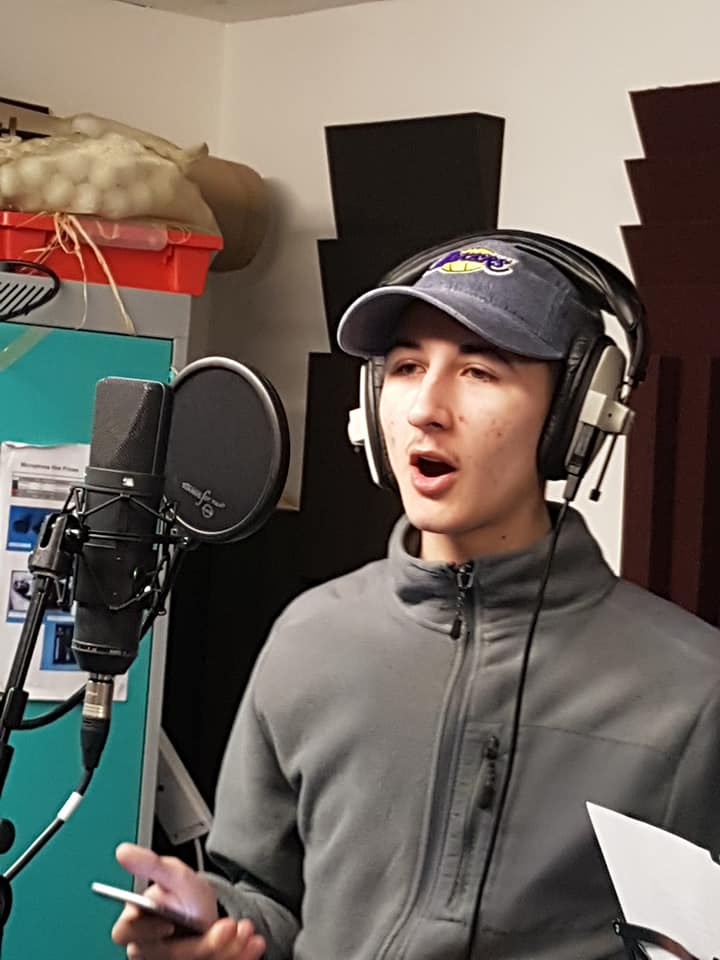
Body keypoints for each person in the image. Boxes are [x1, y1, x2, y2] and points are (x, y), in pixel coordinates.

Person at [111, 236, 720, 960]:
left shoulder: (693, 689)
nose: (428, 407)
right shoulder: (312, 637)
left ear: (573, 420)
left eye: (479, 371)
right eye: (405, 367)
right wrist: (218, 920)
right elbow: (269, 899)